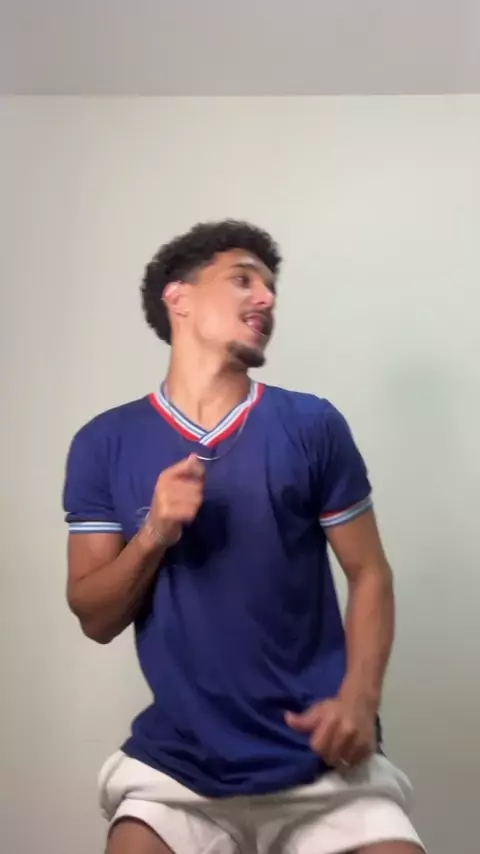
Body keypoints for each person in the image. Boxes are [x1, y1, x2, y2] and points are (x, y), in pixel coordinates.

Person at [63, 220, 424, 854]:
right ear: (178, 297)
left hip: (321, 762)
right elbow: (94, 616)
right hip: (180, 767)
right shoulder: (103, 442)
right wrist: (153, 535)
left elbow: (370, 572)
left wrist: (359, 699)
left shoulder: (311, 425)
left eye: (271, 286)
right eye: (242, 279)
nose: (266, 298)